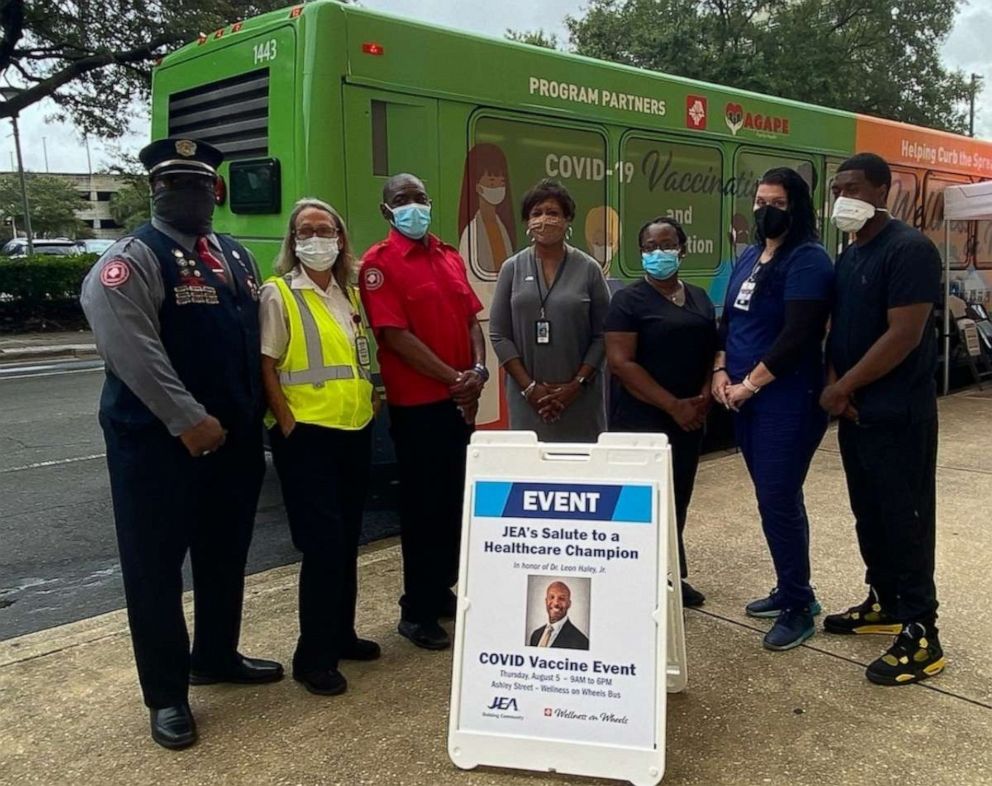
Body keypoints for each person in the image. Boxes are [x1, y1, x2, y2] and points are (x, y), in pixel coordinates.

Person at [80, 138, 282, 751]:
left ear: (215, 191)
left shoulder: (238, 257)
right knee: (155, 569)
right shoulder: (131, 259)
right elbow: (133, 350)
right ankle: (167, 694)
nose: (188, 195)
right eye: (173, 185)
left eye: (197, 184)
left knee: (224, 555)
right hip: (159, 446)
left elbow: (249, 341)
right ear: (155, 192)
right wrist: (187, 418)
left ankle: (215, 655)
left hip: (234, 442)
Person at [820, 153, 944, 686]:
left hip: (899, 415)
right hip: (857, 414)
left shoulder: (910, 250)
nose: (841, 197)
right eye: (835, 189)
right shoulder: (850, 255)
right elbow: (839, 328)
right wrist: (835, 386)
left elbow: (904, 334)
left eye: (851, 187)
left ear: (881, 190)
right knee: (868, 514)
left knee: (906, 521)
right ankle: (885, 601)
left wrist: (844, 387)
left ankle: (922, 633)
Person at [359, 173, 487, 652]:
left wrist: (475, 370)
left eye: (420, 198)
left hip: (460, 399)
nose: (413, 206)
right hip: (419, 406)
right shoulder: (380, 264)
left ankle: (440, 590)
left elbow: (472, 320)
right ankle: (415, 609)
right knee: (422, 508)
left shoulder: (448, 255)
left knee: (455, 501)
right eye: (402, 200)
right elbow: (394, 337)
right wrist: (454, 378)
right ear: (386, 210)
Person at [259, 198, 380, 697]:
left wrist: (373, 391)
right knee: (322, 545)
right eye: (306, 231)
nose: (317, 238)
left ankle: (341, 633)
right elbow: (266, 364)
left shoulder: (349, 293)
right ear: (293, 240)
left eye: (325, 229)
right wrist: (285, 421)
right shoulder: (279, 293)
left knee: (347, 538)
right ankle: (313, 657)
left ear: (340, 237)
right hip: (306, 435)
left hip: (354, 426)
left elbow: (357, 353)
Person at [712, 167, 833, 651]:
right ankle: (789, 586)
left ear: (796, 207)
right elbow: (729, 321)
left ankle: (800, 605)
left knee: (779, 497)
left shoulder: (808, 261)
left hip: (786, 398)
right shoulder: (748, 255)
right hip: (743, 395)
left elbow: (798, 335)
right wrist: (721, 371)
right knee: (770, 497)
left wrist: (751, 384)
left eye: (777, 203)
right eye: (760, 201)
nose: (766, 210)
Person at [605, 216, 716, 608]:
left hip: (690, 420)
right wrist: (673, 406)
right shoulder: (628, 301)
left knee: (677, 500)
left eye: (666, 245)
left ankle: (671, 576)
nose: (658, 253)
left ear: (682, 250)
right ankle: (636, 585)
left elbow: (711, 352)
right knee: (640, 506)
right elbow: (621, 363)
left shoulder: (700, 298)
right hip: (642, 421)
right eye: (649, 247)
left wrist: (702, 396)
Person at [489, 179, 611, 442]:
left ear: (567, 220)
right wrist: (530, 389)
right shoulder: (512, 268)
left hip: (581, 398)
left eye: (553, 213)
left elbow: (603, 335)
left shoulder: (589, 269)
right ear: (527, 222)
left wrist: (576, 385)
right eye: (537, 213)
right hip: (527, 399)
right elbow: (499, 335)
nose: (544, 220)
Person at [458, 143, 516, 275]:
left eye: (502, 182)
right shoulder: (470, 233)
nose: (498, 187)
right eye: (491, 181)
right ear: (477, 186)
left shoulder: (503, 228)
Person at [528, 581, 589, 650]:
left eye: (561, 598)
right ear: (546, 601)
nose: (556, 603)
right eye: (551, 597)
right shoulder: (535, 635)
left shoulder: (580, 642)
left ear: (569, 604)